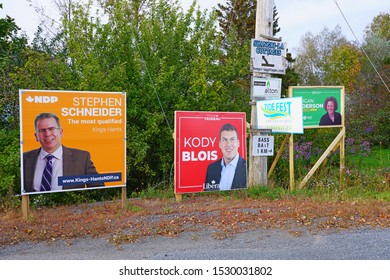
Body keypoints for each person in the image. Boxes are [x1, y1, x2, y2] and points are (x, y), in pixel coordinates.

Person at [23, 112, 101, 193]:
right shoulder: (24, 159)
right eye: (42, 130)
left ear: (61, 132)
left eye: (51, 129)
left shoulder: (82, 158)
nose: (47, 134)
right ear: (36, 136)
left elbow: (98, 188)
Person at [204, 123, 247, 191]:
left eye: (232, 139)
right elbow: (207, 194)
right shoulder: (211, 168)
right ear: (219, 144)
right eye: (224, 140)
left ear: (238, 143)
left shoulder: (248, 168)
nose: (228, 144)